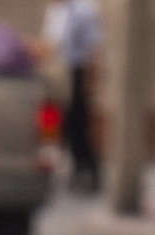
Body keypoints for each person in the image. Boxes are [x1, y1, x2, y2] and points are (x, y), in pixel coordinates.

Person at [43, 0, 104, 193]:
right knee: (58, 124)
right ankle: (73, 171)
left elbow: (93, 49)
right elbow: (51, 44)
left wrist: (91, 83)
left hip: (77, 72)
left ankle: (91, 172)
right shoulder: (54, 12)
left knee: (79, 126)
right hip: (58, 71)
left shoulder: (85, 10)